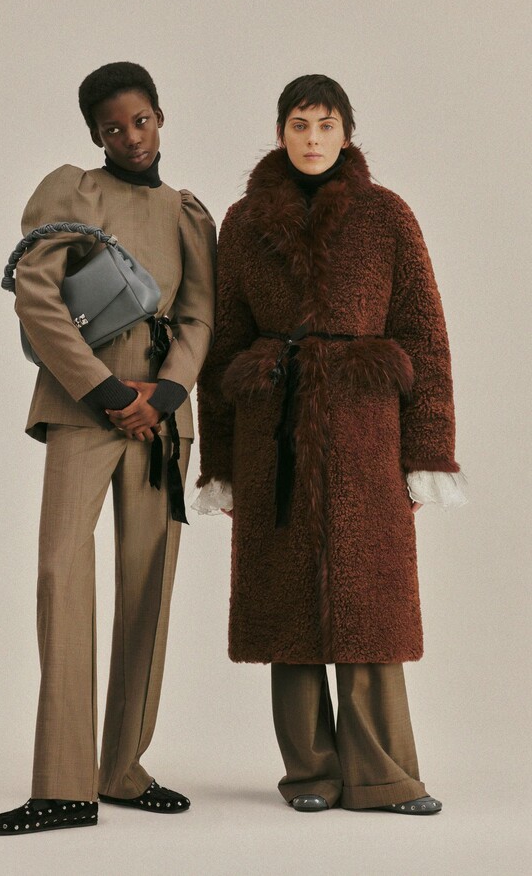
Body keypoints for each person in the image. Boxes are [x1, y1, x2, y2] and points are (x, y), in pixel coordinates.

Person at [194, 74, 466, 814]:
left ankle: (384, 775)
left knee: (369, 602)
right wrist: (221, 466)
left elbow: (425, 337)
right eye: (299, 124)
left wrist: (427, 455)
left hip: (364, 432)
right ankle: (310, 772)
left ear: (347, 133)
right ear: (280, 132)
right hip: (272, 432)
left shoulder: (387, 215)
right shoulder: (244, 222)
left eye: (325, 124)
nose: (312, 138)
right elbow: (222, 346)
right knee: (288, 607)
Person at [0, 62, 215, 834]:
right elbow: (36, 295)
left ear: (161, 116)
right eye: (113, 127)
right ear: (95, 135)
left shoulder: (186, 213)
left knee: (149, 587)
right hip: (87, 409)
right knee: (61, 572)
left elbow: (199, 315)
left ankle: (122, 768)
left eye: (141, 120)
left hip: (162, 421)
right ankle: (62, 785)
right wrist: (108, 392)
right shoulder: (73, 192)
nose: (131, 137)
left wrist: (168, 394)